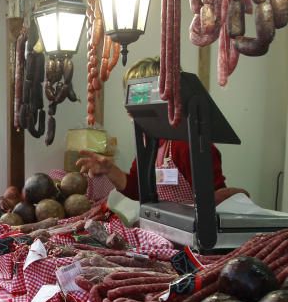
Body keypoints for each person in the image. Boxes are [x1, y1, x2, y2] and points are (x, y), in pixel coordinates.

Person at [76, 56, 248, 205]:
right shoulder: (149, 141)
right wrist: (111, 170)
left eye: (140, 96)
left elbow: (215, 203)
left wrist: (234, 198)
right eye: (130, 96)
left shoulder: (186, 146)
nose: (129, 106)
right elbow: (140, 190)